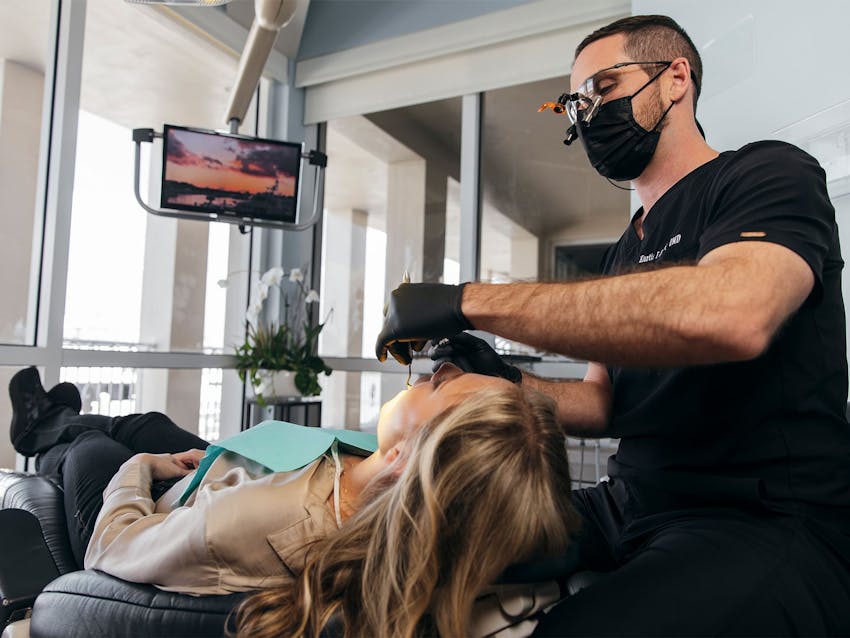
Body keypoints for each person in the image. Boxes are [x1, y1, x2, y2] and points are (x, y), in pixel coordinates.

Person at [376, 14, 850, 637]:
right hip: (627, 505)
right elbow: (602, 402)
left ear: (676, 78)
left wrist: (466, 301)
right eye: (576, 103)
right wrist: (505, 380)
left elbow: (733, 315)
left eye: (604, 87)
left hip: (760, 517)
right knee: (406, 544)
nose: (588, 114)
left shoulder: (764, 175)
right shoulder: (626, 249)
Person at [8, 365, 578, 630]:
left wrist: (140, 470)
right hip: (229, 472)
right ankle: (60, 415)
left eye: (440, 384)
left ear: (408, 457)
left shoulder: (259, 522)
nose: (436, 369)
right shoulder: (385, 482)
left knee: (96, 450)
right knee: (148, 423)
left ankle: (49, 429)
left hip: (156, 513)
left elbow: (111, 548)